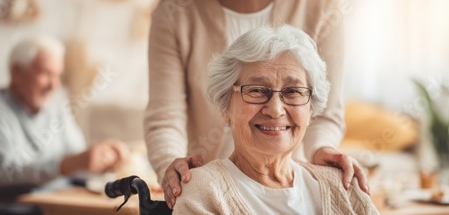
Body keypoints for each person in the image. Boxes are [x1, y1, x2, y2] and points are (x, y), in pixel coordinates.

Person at [145, 0, 368, 208]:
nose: (275, 110)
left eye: (291, 91)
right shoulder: (175, 11)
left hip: (290, 180)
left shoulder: (321, 6)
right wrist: (172, 169)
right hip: (210, 186)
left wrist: (322, 148)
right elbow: (166, 116)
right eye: (256, 91)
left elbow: (324, 107)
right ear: (224, 107)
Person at [0, 36, 129, 188]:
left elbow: (77, 157)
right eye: (45, 73)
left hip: (54, 200)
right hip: (12, 205)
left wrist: (104, 159)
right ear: (17, 72)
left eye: (58, 75)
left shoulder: (55, 109)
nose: (53, 85)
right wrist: (65, 165)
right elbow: (3, 173)